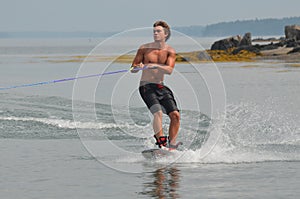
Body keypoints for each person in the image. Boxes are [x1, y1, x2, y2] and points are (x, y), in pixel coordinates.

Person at [131, 20, 181, 150]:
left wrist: (155, 65)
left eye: (158, 31)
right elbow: (133, 68)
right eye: (154, 31)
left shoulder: (170, 51)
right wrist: (138, 67)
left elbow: (169, 70)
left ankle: (172, 145)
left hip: (160, 86)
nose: (155, 33)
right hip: (146, 87)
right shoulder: (144, 48)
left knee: (175, 115)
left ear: (166, 34)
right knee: (157, 112)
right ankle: (161, 142)